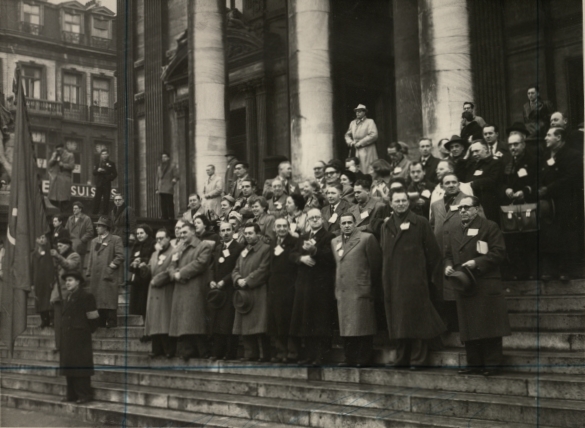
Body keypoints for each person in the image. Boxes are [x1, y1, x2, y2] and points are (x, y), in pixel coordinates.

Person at [444, 196, 511, 376]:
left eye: (467, 207)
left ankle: (493, 364)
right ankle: (474, 363)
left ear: (477, 208)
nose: (463, 211)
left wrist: (477, 262)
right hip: (464, 283)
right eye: (460, 208)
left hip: (484, 282)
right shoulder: (454, 229)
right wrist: (448, 266)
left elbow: (499, 253)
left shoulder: (489, 227)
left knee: (489, 324)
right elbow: (448, 253)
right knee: (469, 325)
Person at [380, 189, 445, 369]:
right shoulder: (385, 226)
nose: (400, 204)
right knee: (398, 321)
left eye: (403, 201)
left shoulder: (420, 222)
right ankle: (402, 357)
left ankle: (418, 359)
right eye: (397, 201)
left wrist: (426, 277)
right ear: (390, 204)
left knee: (417, 320)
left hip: (415, 280)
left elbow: (434, 254)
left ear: (409, 203)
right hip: (393, 281)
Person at [429, 173, 484, 331]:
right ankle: (450, 322)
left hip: (462, 250)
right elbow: (433, 226)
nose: (451, 185)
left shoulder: (468, 201)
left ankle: (466, 324)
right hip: (441, 253)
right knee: (444, 289)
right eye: (448, 182)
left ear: (459, 184)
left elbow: (481, 222)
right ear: (442, 186)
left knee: (461, 285)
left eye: (454, 182)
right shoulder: (436, 204)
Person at [332, 213, 381, 367]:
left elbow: (376, 264)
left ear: (355, 224)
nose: (346, 225)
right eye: (343, 223)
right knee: (346, 326)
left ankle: (364, 358)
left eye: (349, 222)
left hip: (360, 289)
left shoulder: (366, 238)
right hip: (343, 290)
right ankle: (350, 357)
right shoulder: (335, 241)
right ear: (339, 225)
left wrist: (368, 284)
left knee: (362, 325)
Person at [289, 208, 336, 365]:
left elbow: (331, 257)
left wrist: (314, 251)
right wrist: (301, 258)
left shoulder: (329, 236)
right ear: (307, 220)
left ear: (322, 219)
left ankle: (322, 356)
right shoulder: (303, 237)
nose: (314, 220)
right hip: (304, 285)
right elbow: (292, 254)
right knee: (306, 320)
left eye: (317, 217)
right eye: (311, 218)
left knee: (320, 321)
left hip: (321, 286)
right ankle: (309, 355)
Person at [539, 127, 584, 281]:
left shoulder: (573, 155)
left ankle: (565, 270)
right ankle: (550, 270)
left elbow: (570, 178)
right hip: (548, 205)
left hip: (567, 202)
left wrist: (548, 189)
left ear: (558, 138)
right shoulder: (545, 156)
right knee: (549, 236)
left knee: (566, 235)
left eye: (548, 135)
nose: (545, 138)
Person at [168, 222, 214, 361]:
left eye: (185, 232)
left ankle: (202, 350)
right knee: (184, 321)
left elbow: (200, 263)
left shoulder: (203, 246)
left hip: (195, 287)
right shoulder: (178, 248)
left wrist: (180, 273)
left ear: (193, 232)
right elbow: (171, 264)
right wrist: (174, 273)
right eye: (180, 233)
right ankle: (187, 350)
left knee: (195, 320)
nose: (182, 235)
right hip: (181, 288)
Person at [499, 133, 539, 280]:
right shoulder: (507, 161)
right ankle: (520, 271)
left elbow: (538, 181)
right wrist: (506, 189)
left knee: (531, 237)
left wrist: (526, 191)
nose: (513, 148)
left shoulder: (533, 160)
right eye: (510, 145)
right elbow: (501, 181)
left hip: (528, 204)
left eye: (516, 144)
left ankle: (533, 272)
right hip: (512, 207)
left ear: (523, 144)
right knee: (515, 239)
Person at [232, 223, 272, 362]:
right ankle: (250, 354)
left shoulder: (266, 249)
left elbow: (264, 269)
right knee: (245, 324)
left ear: (258, 234)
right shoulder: (244, 251)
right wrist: (237, 279)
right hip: (244, 293)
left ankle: (263, 354)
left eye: (251, 233)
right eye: (246, 233)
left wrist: (248, 280)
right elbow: (235, 269)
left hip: (258, 291)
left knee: (259, 324)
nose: (248, 236)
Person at [58, 270, 100, 404]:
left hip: (80, 338)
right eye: (66, 280)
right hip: (68, 338)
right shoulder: (68, 297)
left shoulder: (86, 296)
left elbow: (93, 319)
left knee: (81, 367)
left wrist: (84, 331)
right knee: (70, 367)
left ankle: (84, 394)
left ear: (78, 282)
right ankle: (71, 395)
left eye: (70, 280)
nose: (67, 283)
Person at [208, 222, 244, 361]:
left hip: (229, 289)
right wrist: (211, 280)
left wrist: (225, 281)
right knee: (217, 321)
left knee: (228, 322)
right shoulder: (218, 248)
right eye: (223, 230)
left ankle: (230, 353)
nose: (226, 233)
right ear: (220, 233)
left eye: (228, 229)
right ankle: (217, 352)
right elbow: (212, 267)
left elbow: (237, 268)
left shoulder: (239, 248)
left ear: (233, 230)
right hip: (217, 290)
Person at [267, 218, 299, 363]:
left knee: (288, 319)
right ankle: (281, 351)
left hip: (289, 285)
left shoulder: (294, 241)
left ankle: (292, 352)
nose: (281, 228)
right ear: (274, 228)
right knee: (276, 319)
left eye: (284, 226)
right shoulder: (273, 242)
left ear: (288, 227)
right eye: (278, 226)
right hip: (275, 285)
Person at [86, 216, 124, 328]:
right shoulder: (94, 241)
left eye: (99, 226)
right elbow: (91, 257)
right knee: (98, 298)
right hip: (96, 274)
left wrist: (112, 265)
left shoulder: (115, 239)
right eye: (97, 225)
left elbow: (120, 255)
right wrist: (88, 271)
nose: (96, 228)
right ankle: (101, 321)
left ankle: (111, 320)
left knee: (109, 298)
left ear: (106, 227)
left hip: (107, 273)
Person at [144, 228, 177, 358]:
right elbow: (149, 268)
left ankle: (168, 349)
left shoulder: (174, 252)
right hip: (153, 291)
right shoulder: (154, 254)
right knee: (155, 320)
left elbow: (171, 269)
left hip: (165, 290)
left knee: (164, 319)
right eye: (157, 238)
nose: (159, 240)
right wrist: (141, 267)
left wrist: (157, 280)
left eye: (162, 238)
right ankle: (156, 348)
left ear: (168, 238)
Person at [49, 237, 81, 354]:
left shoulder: (74, 256)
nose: (59, 247)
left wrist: (57, 256)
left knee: (70, 322)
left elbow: (69, 266)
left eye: (61, 245)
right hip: (58, 294)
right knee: (58, 324)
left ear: (68, 245)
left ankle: (70, 345)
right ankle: (59, 345)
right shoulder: (58, 258)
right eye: (58, 245)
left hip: (69, 294)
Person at [461, 140, 504, 223]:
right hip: (475, 203)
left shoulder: (495, 163)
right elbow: (461, 177)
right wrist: (466, 157)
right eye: (472, 152)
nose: (474, 154)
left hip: (490, 204)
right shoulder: (473, 165)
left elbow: (493, 180)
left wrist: (473, 184)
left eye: (477, 151)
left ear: (485, 149)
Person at [128, 224, 156, 318]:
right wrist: (133, 263)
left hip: (147, 278)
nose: (139, 235)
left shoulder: (153, 244)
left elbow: (154, 258)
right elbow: (130, 260)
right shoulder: (136, 245)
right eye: (137, 233)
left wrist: (143, 261)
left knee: (145, 302)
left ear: (147, 234)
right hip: (137, 278)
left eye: (141, 233)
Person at [344, 104, 379, 174]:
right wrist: (350, 142)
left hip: (367, 149)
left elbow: (374, 135)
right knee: (355, 168)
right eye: (356, 111)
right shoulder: (353, 123)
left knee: (367, 169)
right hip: (355, 150)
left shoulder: (370, 122)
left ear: (364, 112)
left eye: (360, 111)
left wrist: (360, 143)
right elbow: (347, 135)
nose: (357, 113)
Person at [32, 235, 54, 329]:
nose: (41, 239)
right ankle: (43, 320)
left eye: (44, 237)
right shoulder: (34, 254)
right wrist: (32, 283)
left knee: (48, 300)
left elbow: (52, 268)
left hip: (47, 280)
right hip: (38, 281)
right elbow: (32, 268)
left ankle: (49, 320)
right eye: (40, 237)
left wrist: (52, 280)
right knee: (40, 300)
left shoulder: (50, 252)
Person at [65, 202, 94, 270]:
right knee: (70, 264)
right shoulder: (70, 218)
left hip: (80, 246)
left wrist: (81, 241)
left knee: (79, 266)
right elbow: (66, 231)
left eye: (76, 208)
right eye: (73, 208)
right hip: (71, 245)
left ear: (80, 209)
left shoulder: (86, 219)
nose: (74, 210)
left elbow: (90, 232)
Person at [47, 144, 75, 213]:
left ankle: (64, 215)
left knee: (64, 199)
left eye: (59, 150)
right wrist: (54, 157)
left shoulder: (70, 155)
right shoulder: (55, 155)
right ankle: (55, 215)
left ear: (63, 148)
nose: (58, 151)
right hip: (55, 180)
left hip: (64, 179)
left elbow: (72, 166)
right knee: (53, 199)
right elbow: (49, 164)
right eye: (57, 150)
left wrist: (63, 165)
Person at [92, 149, 117, 215]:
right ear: (101, 155)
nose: (104, 155)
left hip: (107, 184)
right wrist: (98, 170)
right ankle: (94, 214)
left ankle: (105, 214)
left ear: (108, 155)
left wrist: (109, 178)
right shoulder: (98, 164)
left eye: (105, 154)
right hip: (99, 184)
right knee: (97, 199)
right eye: (102, 154)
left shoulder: (111, 163)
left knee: (106, 200)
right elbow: (94, 173)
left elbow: (115, 174)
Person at [156, 152, 180, 221]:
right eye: (163, 157)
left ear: (168, 158)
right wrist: (156, 188)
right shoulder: (159, 167)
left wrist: (173, 181)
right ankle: (164, 216)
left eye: (165, 157)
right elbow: (157, 178)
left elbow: (176, 176)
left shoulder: (172, 166)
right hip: (161, 187)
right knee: (162, 203)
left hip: (168, 187)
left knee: (169, 202)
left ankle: (171, 216)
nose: (163, 158)